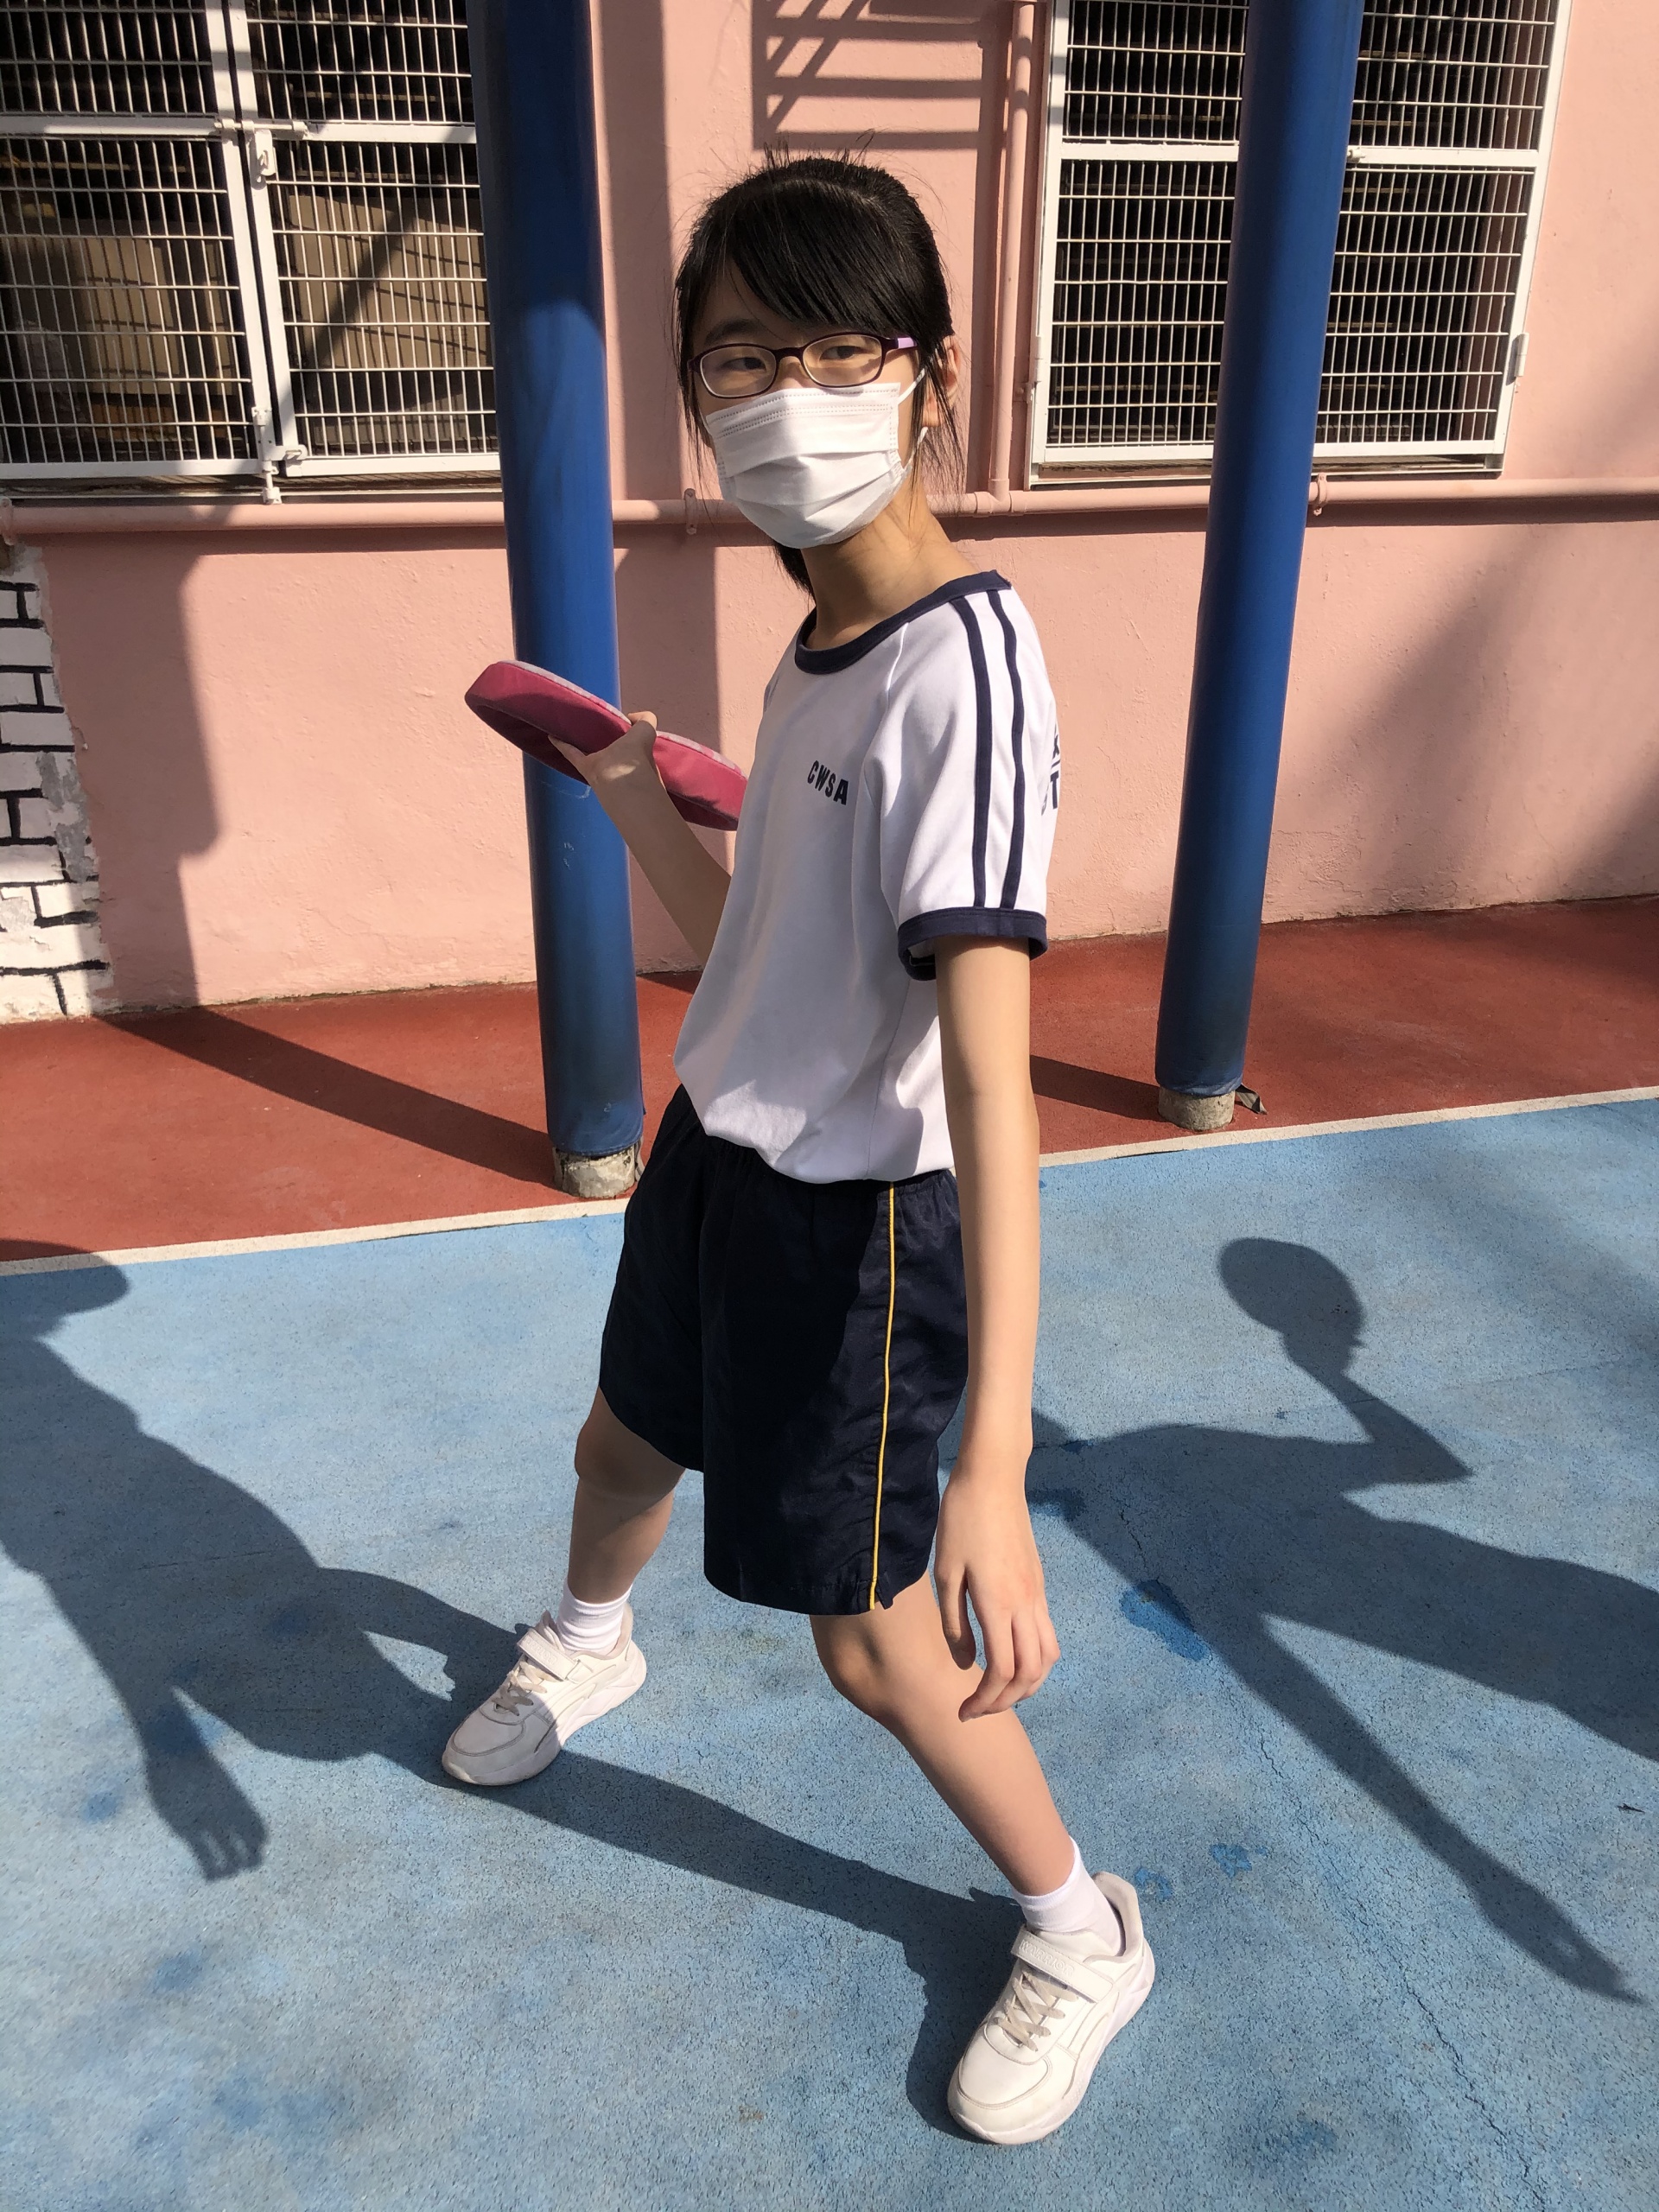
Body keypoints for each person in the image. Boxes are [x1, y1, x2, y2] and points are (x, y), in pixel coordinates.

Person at [442, 153, 1153, 2144]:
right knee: (617, 1445)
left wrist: (995, 1468)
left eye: (835, 348)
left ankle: (1081, 1923)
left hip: (864, 1228)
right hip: (719, 1157)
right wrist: (626, 792)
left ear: (930, 374)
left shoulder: (965, 668)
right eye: (740, 357)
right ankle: (589, 1643)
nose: (784, 395)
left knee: (873, 1641)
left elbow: (996, 1083)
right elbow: (755, 939)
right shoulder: (817, 635)